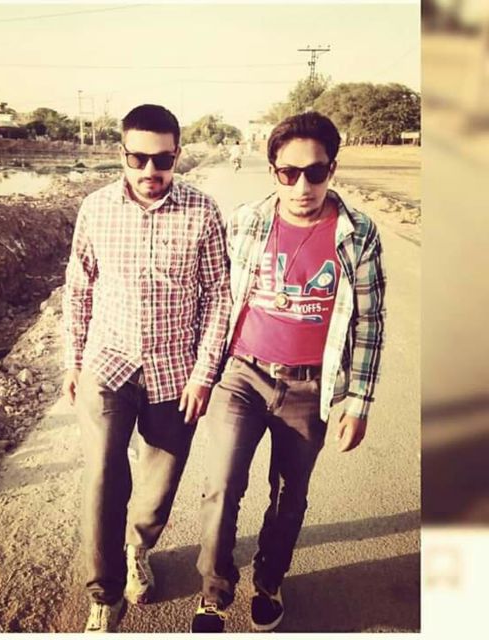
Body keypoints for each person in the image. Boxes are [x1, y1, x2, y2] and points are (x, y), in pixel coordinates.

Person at [190, 111, 386, 633]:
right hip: (242, 376)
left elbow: (370, 321)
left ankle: (269, 580)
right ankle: (214, 591)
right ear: (273, 169)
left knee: (289, 494)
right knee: (222, 484)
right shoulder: (246, 222)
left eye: (315, 172)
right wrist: (201, 372)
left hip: (309, 387)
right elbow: (215, 299)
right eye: (289, 172)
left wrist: (358, 402)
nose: (302, 186)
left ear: (332, 169)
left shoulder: (358, 234)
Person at [61, 104, 231, 633]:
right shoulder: (95, 209)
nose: (150, 170)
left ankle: (138, 548)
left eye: (163, 159)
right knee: (104, 475)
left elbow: (219, 296)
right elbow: (79, 287)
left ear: (178, 155)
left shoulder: (202, 211)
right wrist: (74, 360)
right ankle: (105, 592)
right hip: (107, 364)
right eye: (138, 158)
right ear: (122, 155)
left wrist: (204, 374)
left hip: (175, 373)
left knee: (159, 486)